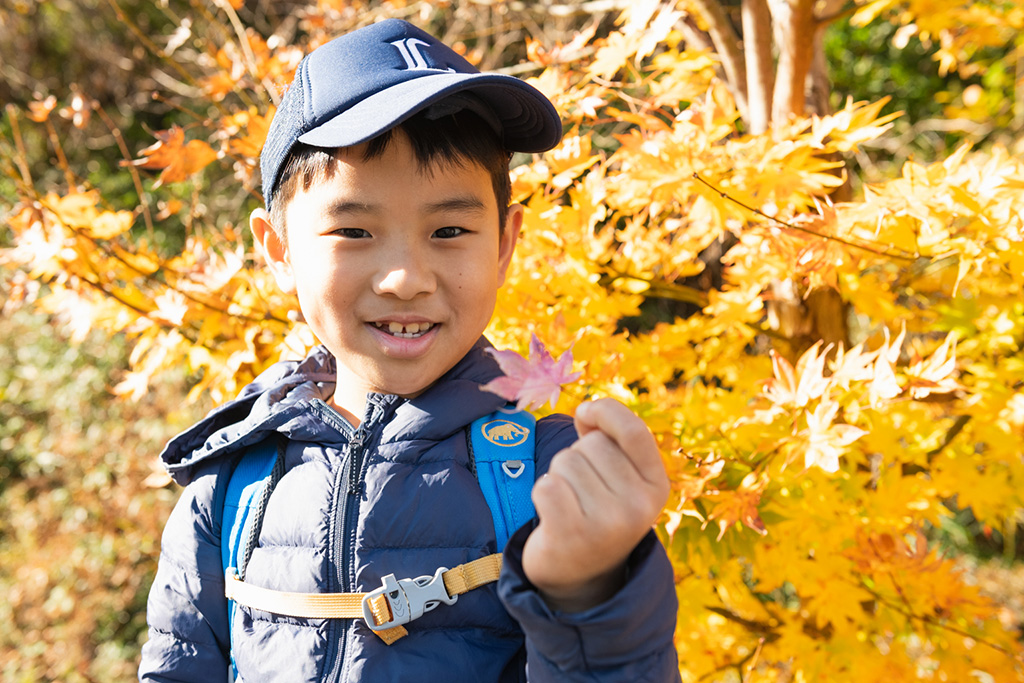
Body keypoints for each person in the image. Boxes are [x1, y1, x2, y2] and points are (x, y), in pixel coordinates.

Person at [139, 18, 680, 682]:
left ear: (504, 244)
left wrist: (592, 593)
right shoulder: (228, 493)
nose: (405, 278)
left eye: (449, 230)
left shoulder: (552, 479)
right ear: (278, 251)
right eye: (354, 231)